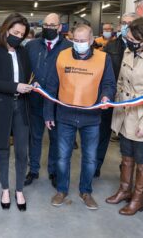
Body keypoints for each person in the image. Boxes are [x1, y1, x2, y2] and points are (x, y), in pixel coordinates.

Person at [45, 24, 116, 209]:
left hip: (91, 117)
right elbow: (52, 86)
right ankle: (61, 190)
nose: (79, 44)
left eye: (83, 41)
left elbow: (109, 83)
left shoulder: (103, 58)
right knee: (62, 157)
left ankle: (86, 191)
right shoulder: (62, 56)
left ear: (92, 40)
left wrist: (106, 95)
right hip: (65, 115)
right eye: (76, 40)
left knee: (90, 158)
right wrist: (48, 113)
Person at [107, 18, 143, 215]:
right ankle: (125, 190)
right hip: (125, 113)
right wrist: (114, 101)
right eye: (128, 37)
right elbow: (121, 82)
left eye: (133, 38)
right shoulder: (128, 51)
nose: (129, 40)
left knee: (141, 158)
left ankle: (138, 199)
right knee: (126, 154)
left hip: (142, 116)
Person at [0, 13, 33, 212]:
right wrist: (15, 87)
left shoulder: (23, 52)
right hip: (0, 107)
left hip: (21, 106)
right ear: (6, 29)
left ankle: (19, 190)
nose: (18, 36)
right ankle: (5, 189)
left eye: (22, 34)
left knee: (21, 150)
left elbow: (27, 76)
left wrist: (30, 85)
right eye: (15, 32)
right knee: (2, 149)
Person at [24, 13, 72, 188]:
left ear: (60, 27)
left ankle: (53, 171)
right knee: (34, 137)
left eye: (53, 25)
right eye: (46, 25)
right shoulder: (31, 46)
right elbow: (25, 69)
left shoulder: (69, 47)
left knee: (55, 138)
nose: (49, 28)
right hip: (35, 99)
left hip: (58, 102)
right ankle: (33, 170)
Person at [95, 12, 140, 177]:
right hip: (110, 96)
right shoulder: (111, 46)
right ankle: (95, 166)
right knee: (102, 133)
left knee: (129, 138)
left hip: (132, 100)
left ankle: (126, 172)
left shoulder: (142, 47)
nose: (126, 25)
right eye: (124, 22)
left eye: (131, 22)